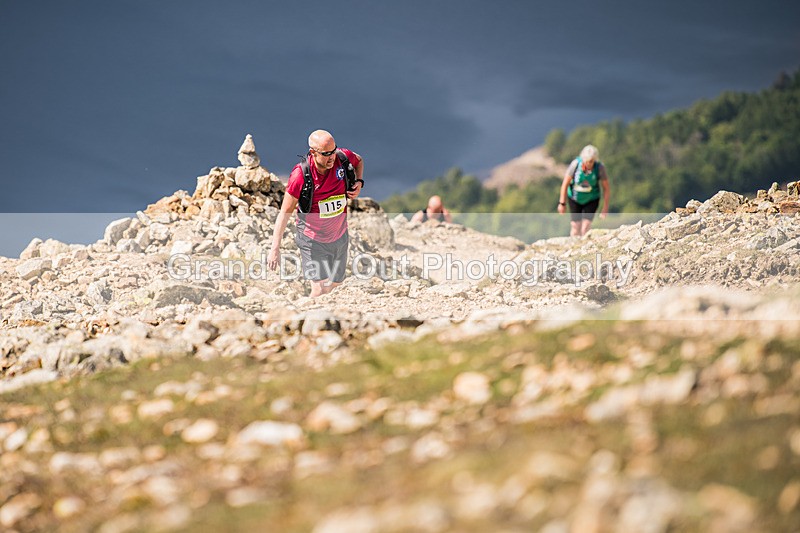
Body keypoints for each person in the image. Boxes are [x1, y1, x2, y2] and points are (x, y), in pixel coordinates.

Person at [267, 130, 364, 297]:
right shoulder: (300, 175)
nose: (332, 157)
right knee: (319, 290)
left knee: (336, 286)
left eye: (333, 151)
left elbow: (359, 160)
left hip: (340, 236)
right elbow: (285, 212)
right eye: (326, 154)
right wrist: (275, 248)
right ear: (313, 152)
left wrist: (359, 182)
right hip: (312, 240)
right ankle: (305, 313)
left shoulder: (342, 157)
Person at [558, 144, 610, 237]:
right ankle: (574, 244)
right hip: (575, 198)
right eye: (587, 161)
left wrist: (605, 207)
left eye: (591, 161)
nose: (589, 164)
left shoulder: (599, 168)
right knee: (575, 226)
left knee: (585, 227)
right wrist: (562, 203)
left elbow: (606, 188)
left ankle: (585, 244)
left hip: (592, 199)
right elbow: (565, 184)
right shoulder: (575, 164)